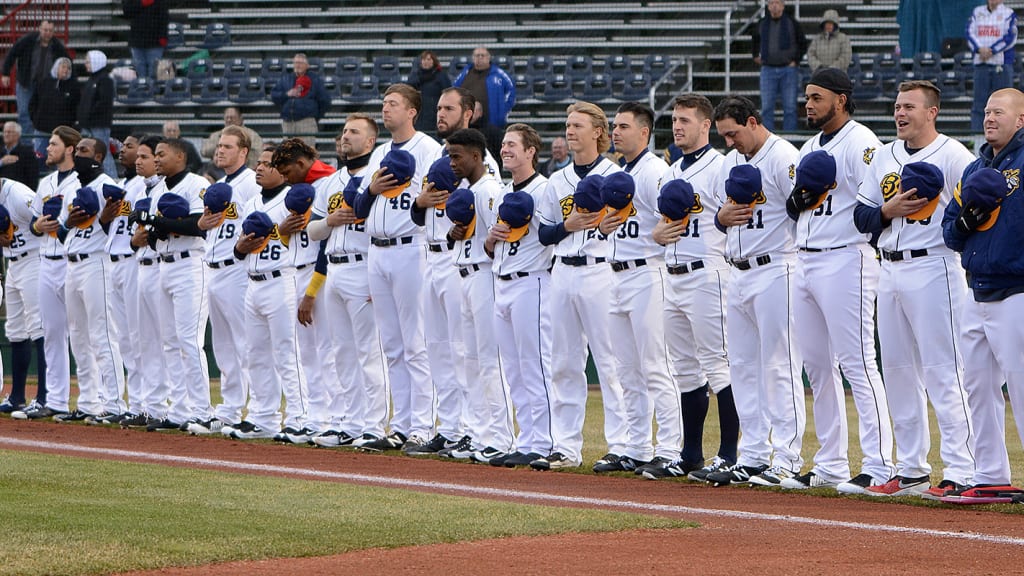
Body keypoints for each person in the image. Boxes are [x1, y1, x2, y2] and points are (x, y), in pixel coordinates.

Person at [854, 80, 976, 497]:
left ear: (932, 112)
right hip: (888, 268)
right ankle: (911, 469)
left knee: (945, 371)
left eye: (909, 106)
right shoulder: (885, 155)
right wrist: (887, 211)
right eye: (897, 106)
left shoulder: (954, 154)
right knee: (900, 373)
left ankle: (962, 469)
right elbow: (861, 216)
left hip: (935, 266)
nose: (900, 113)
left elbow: (976, 207)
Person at [780, 68, 893, 492]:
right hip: (806, 259)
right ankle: (830, 464)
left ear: (841, 100)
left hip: (847, 257)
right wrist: (799, 199)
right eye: (807, 97)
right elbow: (800, 206)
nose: (808, 104)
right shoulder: (810, 144)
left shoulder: (862, 142)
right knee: (818, 368)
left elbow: (875, 197)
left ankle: (879, 464)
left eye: (817, 97)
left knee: (858, 363)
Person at [704, 95, 806, 487]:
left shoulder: (782, 156)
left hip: (777, 265)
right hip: (738, 270)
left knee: (780, 365)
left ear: (751, 121)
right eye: (723, 136)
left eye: (733, 133)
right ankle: (753, 454)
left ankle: (787, 458)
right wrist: (719, 217)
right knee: (743, 368)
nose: (729, 142)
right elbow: (719, 213)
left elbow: (803, 205)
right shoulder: (731, 161)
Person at [530, 101, 628, 471]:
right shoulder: (557, 180)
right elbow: (543, 234)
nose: (570, 131)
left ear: (598, 132)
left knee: (610, 361)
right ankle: (565, 446)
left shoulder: (616, 175)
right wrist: (567, 228)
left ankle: (621, 445)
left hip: (602, 270)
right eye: (568, 124)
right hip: (564, 272)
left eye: (577, 125)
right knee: (564, 363)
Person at [405, 86, 499, 458]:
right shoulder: (441, 159)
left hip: (459, 259)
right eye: (439, 107)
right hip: (430, 254)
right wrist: (420, 201)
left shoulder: (479, 162)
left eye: (449, 108)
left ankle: (471, 429)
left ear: (469, 113)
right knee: (438, 350)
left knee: (463, 352)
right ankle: (449, 426)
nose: (440, 114)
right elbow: (418, 215)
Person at [649, 93, 738, 482]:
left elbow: (735, 215)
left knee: (718, 364)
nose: (677, 126)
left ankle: (730, 454)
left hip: (708, 271)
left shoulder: (721, 167)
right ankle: (690, 454)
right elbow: (660, 225)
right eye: (674, 120)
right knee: (685, 369)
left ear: (706, 125)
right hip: (673, 273)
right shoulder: (670, 173)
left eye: (686, 120)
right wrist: (656, 234)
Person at [942, 88, 1024, 504]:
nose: (989, 118)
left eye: (999, 112)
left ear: (1021, 120)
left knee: (1023, 385)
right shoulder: (974, 169)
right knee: (977, 385)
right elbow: (950, 231)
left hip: (1016, 290)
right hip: (975, 288)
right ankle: (991, 474)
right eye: (987, 110)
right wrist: (969, 218)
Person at [351, 83, 441, 451]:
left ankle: (424, 426)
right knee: (391, 344)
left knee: (416, 342)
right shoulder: (380, 154)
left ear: (411, 112)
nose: (385, 110)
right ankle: (400, 425)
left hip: (410, 248)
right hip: (377, 250)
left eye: (393, 104)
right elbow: (358, 209)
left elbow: (436, 202)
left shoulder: (430, 150)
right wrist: (371, 189)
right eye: (384, 104)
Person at [592, 102, 678, 478]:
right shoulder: (618, 172)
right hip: (616, 273)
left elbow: (675, 214)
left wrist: (656, 234)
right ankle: (636, 446)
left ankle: (670, 448)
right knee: (626, 369)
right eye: (614, 125)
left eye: (624, 126)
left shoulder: (656, 170)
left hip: (648, 273)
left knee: (656, 365)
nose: (616, 131)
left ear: (644, 132)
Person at [306, 113, 388, 448]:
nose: (345, 136)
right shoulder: (328, 183)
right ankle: (350, 422)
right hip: (335, 268)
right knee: (342, 351)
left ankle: (375, 425)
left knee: (369, 351)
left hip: (363, 265)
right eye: (343, 131)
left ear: (370, 141)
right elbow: (311, 231)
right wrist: (331, 220)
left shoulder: (378, 177)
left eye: (354, 132)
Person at [484, 123, 556, 468]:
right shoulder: (501, 192)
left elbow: (552, 235)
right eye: (504, 144)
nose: (505, 149)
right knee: (513, 368)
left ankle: (544, 442)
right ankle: (525, 437)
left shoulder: (545, 189)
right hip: (501, 280)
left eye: (513, 144)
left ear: (531, 151)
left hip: (533, 281)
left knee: (534, 365)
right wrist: (491, 238)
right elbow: (488, 247)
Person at [442, 128, 514, 463]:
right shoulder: (467, 190)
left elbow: (498, 240)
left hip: (484, 277)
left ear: (476, 156)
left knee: (489, 360)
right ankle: (479, 432)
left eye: (457, 156)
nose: (451, 162)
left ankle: (501, 437)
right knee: (469, 361)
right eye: (449, 155)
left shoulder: (489, 191)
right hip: (463, 275)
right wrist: (454, 233)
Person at [227, 146, 304, 440]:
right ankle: (263, 417)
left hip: (281, 279)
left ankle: (298, 416)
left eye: (267, 164)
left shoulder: (292, 199)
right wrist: (240, 247)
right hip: (253, 282)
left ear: (281, 170)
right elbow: (238, 249)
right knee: (256, 354)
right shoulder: (251, 202)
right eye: (257, 163)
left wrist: (276, 231)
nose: (259, 168)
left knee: (287, 353)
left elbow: (299, 238)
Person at [189, 126, 260, 436]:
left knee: (246, 343)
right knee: (223, 345)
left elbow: (254, 224)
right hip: (213, 267)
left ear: (243, 152)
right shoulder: (218, 185)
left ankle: (258, 409)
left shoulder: (249, 184)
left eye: (228, 146)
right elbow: (210, 227)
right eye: (219, 145)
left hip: (236, 268)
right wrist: (201, 224)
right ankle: (230, 409)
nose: (220, 151)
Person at [269, 138, 340, 444]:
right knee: (308, 352)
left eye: (287, 171)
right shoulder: (301, 189)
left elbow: (325, 243)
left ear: (300, 163)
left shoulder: (326, 182)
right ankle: (315, 417)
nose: (284, 178)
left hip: (319, 272)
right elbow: (289, 241)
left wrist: (311, 292)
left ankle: (335, 420)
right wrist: (281, 231)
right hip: (298, 268)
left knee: (327, 350)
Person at [11, 126, 82, 421]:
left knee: (82, 334)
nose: (48, 149)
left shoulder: (81, 181)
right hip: (46, 259)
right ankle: (54, 400)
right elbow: (34, 225)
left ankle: (99, 401)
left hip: (72, 260)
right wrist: (41, 226)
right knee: (51, 333)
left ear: (69, 149)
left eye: (53, 144)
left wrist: (61, 226)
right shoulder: (46, 182)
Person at [144, 138, 212, 431]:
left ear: (180, 156)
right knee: (169, 342)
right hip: (164, 264)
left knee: (188, 340)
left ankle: (203, 411)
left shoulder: (197, 184)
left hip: (190, 265)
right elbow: (151, 237)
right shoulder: (158, 188)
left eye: (162, 153)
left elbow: (197, 225)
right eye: (155, 155)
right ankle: (180, 409)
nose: (156, 159)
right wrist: (152, 224)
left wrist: (161, 223)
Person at [121, 135, 169, 429]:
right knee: (141, 340)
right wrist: (135, 240)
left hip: (161, 266)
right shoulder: (137, 188)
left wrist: (145, 237)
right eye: (136, 156)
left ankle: (164, 407)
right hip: (139, 265)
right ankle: (146, 404)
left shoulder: (167, 187)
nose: (139, 161)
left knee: (162, 340)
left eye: (145, 156)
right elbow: (132, 233)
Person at [0, 173, 45, 415]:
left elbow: (44, 220)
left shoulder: (17, 194)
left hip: (34, 259)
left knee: (38, 327)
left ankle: (45, 397)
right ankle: (17, 397)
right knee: (16, 330)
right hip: (13, 264)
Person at [1, 20, 69, 137]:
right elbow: (12, 53)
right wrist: (5, 73)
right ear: (40, 29)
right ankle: (27, 143)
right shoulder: (28, 40)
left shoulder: (57, 46)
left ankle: (38, 142)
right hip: (25, 84)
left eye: (50, 31)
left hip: (45, 86)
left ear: (53, 32)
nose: (47, 33)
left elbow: (67, 62)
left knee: (43, 114)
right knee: (24, 113)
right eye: (45, 30)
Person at [751, 0, 807, 132]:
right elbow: (754, 40)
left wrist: (796, 60)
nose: (774, 6)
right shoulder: (762, 23)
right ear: (768, 6)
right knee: (766, 108)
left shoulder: (792, 23)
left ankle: (790, 138)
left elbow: (802, 43)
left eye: (777, 3)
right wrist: (755, 55)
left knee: (790, 107)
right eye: (771, 3)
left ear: (783, 5)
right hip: (768, 70)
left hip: (788, 69)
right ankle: (767, 140)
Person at [966, 0, 1018, 131]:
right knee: (979, 104)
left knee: (1005, 104)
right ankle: (978, 138)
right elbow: (969, 33)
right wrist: (979, 49)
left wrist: (992, 50)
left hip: (1001, 64)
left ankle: (1006, 135)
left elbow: (1010, 37)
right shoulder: (977, 12)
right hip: (981, 64)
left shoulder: (1008, 13)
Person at [270, 53, 331, 149]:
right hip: (288, 122)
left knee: (307, 151)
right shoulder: (286, 78)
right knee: (287, 152)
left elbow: (325, 100)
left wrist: (314, 116)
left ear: (307, 65)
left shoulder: (315, 79)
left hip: (306, 121)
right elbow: (274, 95)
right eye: (296, 62)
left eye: (301, 63)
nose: (298, 65)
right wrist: (286, 95)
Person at [453, 46, 515, 129]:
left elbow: (511, 92)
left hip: (491, 123)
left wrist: (503, 111)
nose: (480, 58)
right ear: (473, 58)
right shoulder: (464, 73)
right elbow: (454, 91)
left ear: (488, 57)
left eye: (483, 55)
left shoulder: (499, 74)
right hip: (468, 122)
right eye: (477, 55)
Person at [77, 51, 117, 179]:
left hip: (99, 123)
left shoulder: (105, 80)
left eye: (88, 61)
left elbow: (103, 102)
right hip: (88, 124)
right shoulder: (91, 79)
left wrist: (89, 115)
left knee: (103, 152)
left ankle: (112, 178)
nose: (86, 64)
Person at [122, 0, 168, 80]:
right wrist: (141, 3)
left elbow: (164, 17)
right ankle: (141, 89)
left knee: (154, 69)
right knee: (139, 68)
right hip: (137, 39)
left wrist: (163, 36)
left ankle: (153, 90)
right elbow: (127, 12)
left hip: (155, 40)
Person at [408, 50, 450, 136]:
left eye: (428, 59)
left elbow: (447, 92)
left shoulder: (441, 75)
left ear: (433, 61)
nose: (426, 62)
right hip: (420, 114)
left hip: (434, 112)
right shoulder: (415, 75)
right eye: (424, 59)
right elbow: (409, 87)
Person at [0, 121, 39, 190]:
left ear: (17, 135)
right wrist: (1, 162)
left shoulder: (27, 153)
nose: (6, 134)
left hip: (19, 193)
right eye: (4, 132)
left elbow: (32, 178)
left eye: (9, 132)